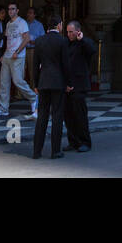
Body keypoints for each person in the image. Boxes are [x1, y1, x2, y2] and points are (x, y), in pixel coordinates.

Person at [0, 2, 37, 119]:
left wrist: (17, 51)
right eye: (9, 9)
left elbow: (26, 39)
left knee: (18, 81)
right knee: (4, 82)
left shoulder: (22, 23)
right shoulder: (8, 23)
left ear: (17, 11)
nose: (10, 11)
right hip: (8, 56)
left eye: (13, 9)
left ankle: (33, 97)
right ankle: (3, 108)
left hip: (18, 56)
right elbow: (9, 40)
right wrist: (5, 54)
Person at [31, 18, 69, 159]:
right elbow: (66, 64)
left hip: (43, 82)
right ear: (58, 25)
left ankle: (37, 151)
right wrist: (68, 82)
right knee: (57, 117)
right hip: (58, 83)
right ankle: (55, 150)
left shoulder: (40, 41)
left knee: (42, 116)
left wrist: (35, 84)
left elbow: (35, 65)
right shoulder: (62, 41)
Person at [64, 20, 96, 152]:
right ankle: (73, 142)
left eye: (71, 32)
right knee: (68, 116)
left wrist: (81, 40)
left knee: (80, 115)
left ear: (78, 31)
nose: (69, 34)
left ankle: (85, 142)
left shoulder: (85, 43)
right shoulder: (66, 44)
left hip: (79, 85)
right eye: (67, 32)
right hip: (67, 86)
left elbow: (91, 50)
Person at [24, 6, 44, 87]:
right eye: (28, 13)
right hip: (22, 49)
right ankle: (20, 94)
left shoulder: (39, 25)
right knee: (21, 72)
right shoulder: (23, 23)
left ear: (34, 15)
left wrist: (35, 42)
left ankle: (33, 91)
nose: (28, 14)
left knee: (33, 72)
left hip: (33, 50)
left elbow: (42, 39)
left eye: (30, 13)